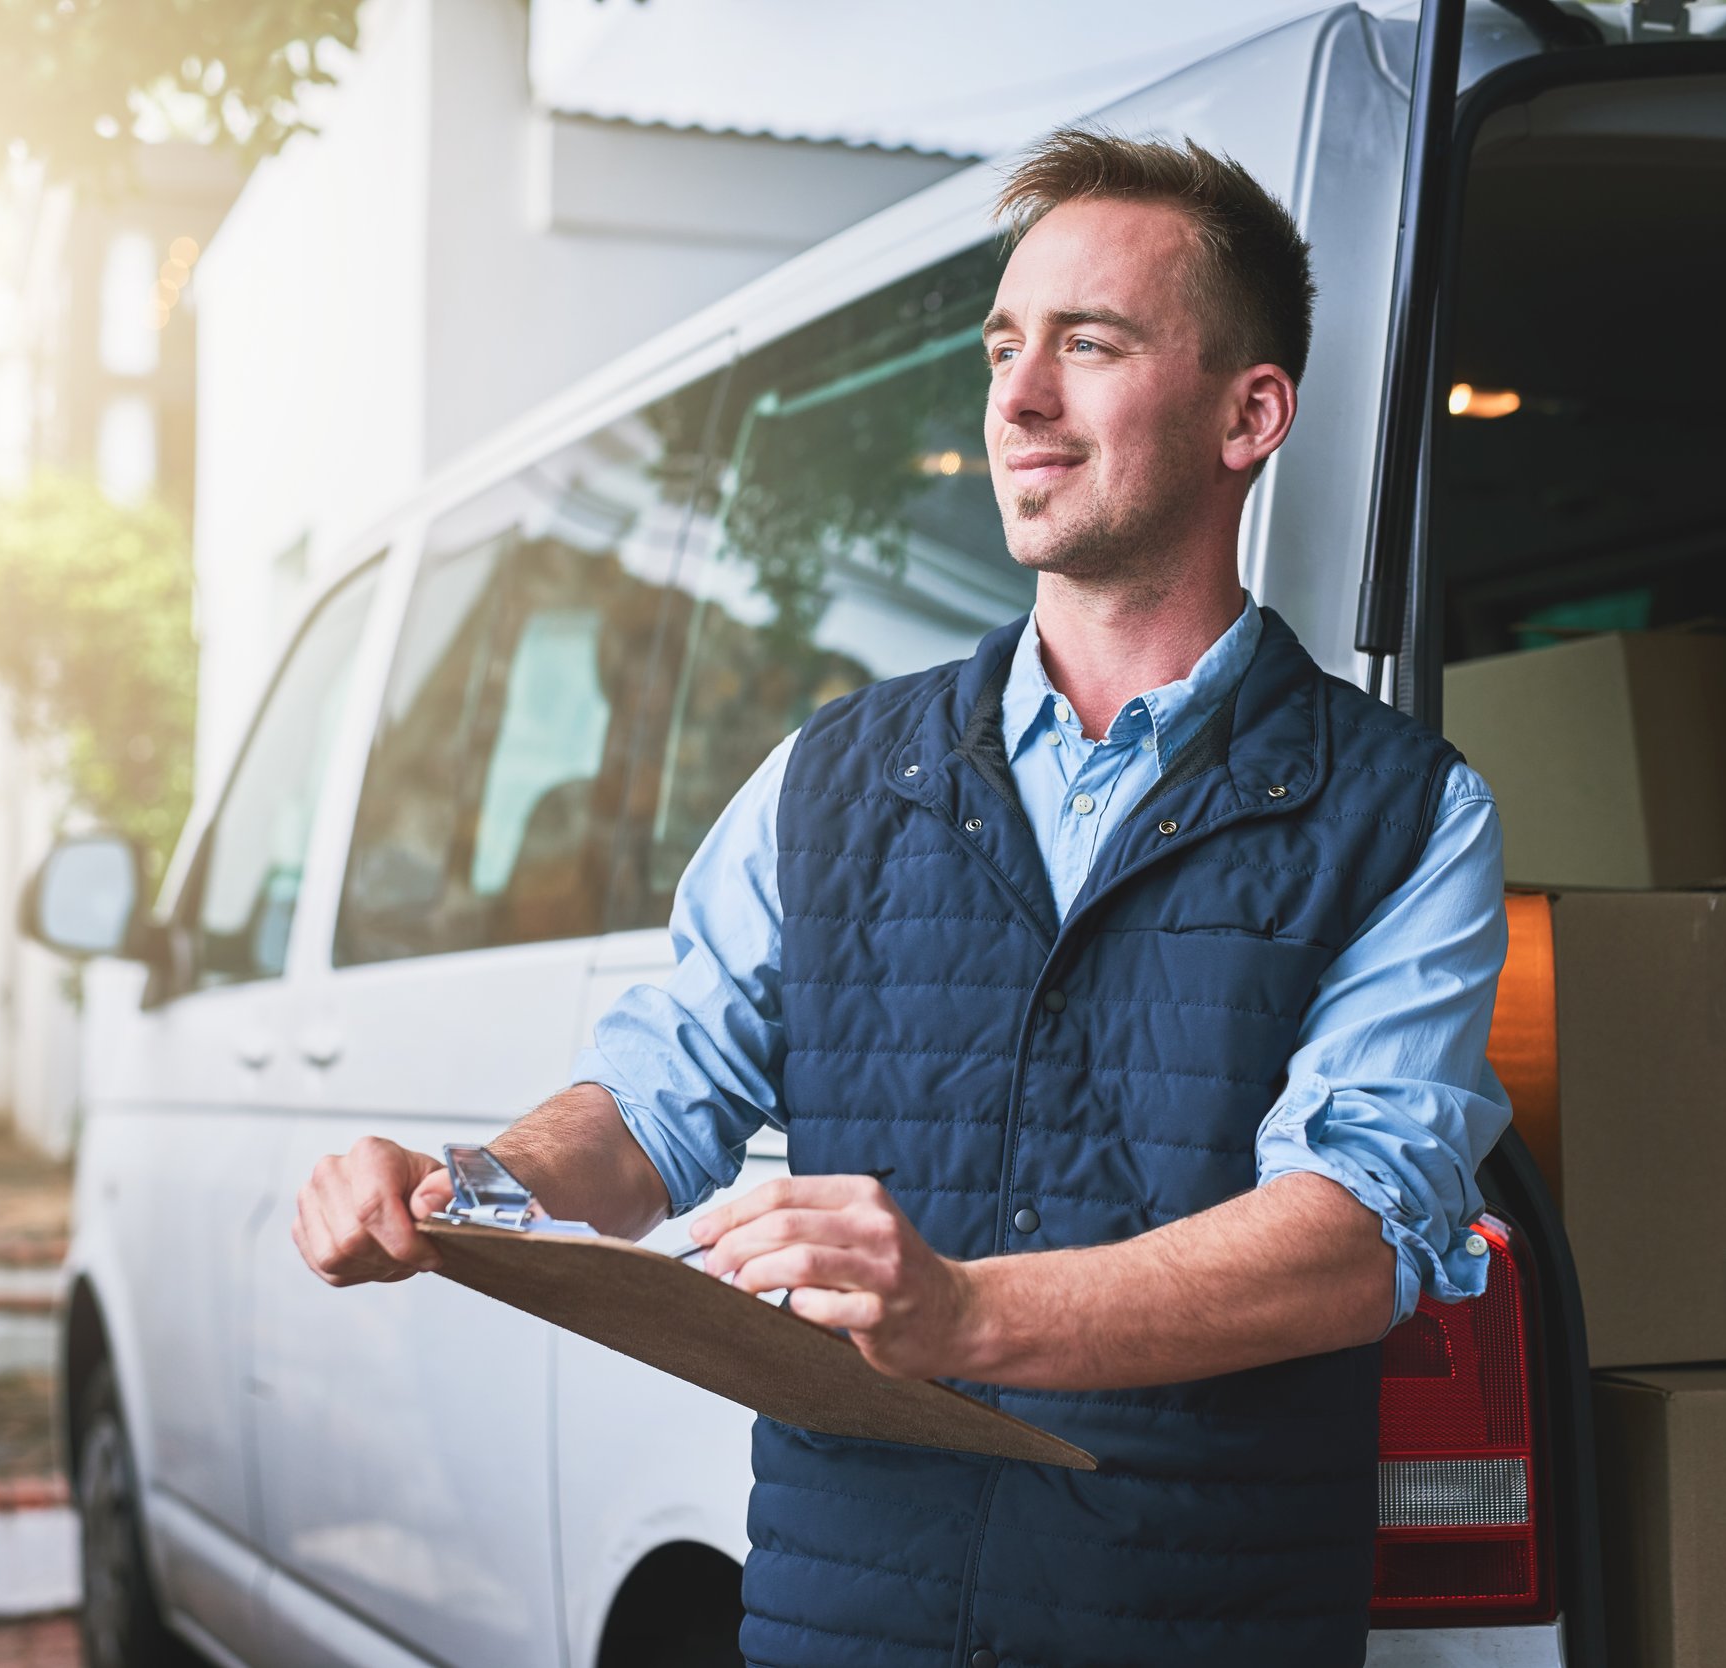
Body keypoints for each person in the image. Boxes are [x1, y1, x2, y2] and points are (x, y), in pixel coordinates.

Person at [293, 128, 1510, 1668]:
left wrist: (963, 1312)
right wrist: (460, 1188)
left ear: (1248, 414)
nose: (1018, 398)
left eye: (1091, 343)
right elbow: (659, 1099)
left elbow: (1353, 1237)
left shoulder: (1406, 812)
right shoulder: (829, 778)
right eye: (1007, 345)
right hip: (846, 1623)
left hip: (1196, 1624)